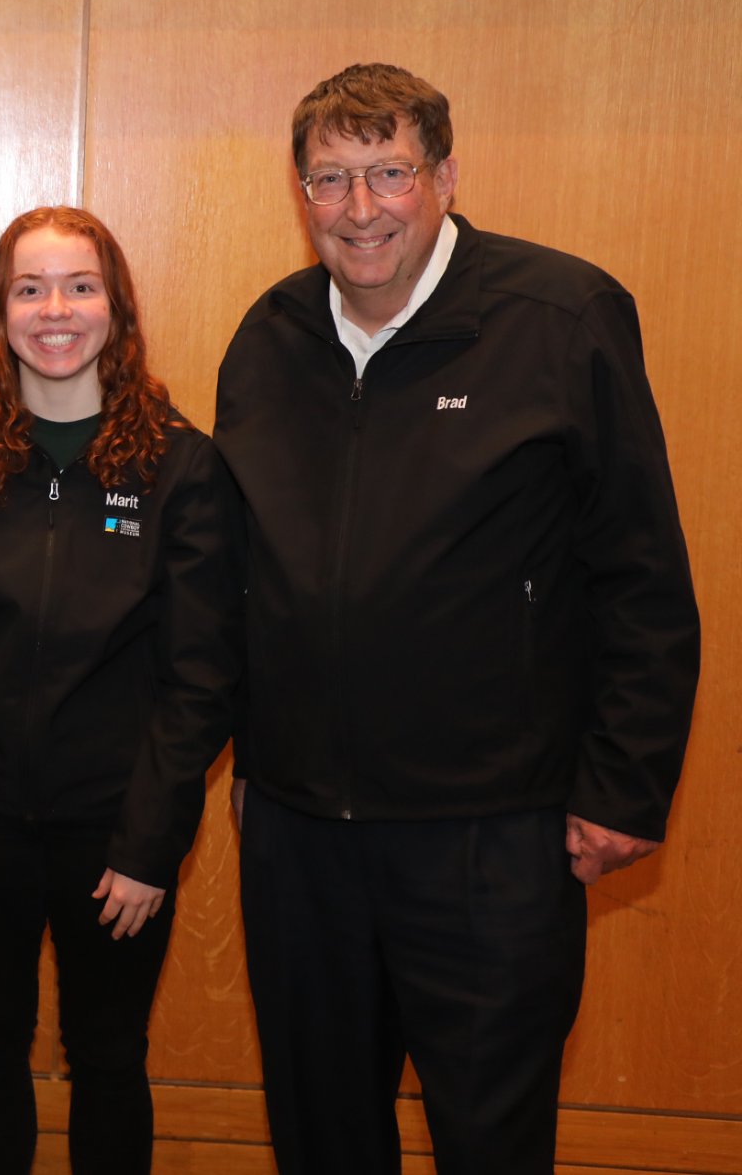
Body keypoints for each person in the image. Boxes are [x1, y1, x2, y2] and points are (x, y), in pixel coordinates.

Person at [214, 62, 699, 1175]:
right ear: (299, 194)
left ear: (441, 178)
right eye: (329, 179)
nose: (358, 208)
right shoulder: (270, 334)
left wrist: (622, 783)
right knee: (320, 1136)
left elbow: (638, 570)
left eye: (387, 172)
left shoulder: (558, 316)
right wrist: (251, 750)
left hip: (491, 831)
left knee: (486, 1134)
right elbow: (240, 569)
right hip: (297, 834)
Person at [0, 207, 242, 1174]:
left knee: (110, 1055)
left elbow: (200, 677)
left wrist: (150, 844)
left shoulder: (181, 467)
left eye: (81, 286)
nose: (56, 310)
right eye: (29, 288)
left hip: (115, 830)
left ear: (115, 307)